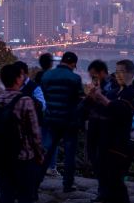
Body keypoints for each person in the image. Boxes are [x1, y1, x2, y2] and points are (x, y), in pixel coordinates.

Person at [0, 64, 44, 203]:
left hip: (2, 154)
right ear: (17, 79)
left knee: (6, 192)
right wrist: (39, 154)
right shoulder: (25, 101)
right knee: (25, 195)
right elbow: (34, 132)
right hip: (24, 155)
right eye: (21, 76)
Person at [40, 51, 85, 192]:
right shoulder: (75, 78)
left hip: (51, 119)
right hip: (69, 122)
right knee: (69, 154)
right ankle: (67, 184)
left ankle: (35, 181)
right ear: (73, 64)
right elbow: (80, 100)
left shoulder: (46, 75)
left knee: (47, 151)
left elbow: (45, 96)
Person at [80, 59, 112, 202]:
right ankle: (102, 190)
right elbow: (85, 107)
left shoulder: (112, 86)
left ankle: (105, 192)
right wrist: (90, 97)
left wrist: (99, 96)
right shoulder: (95, 86)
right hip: (93, 124)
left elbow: (112, 106)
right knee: (94, 159)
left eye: (94, 75)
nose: (92, 79)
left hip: (105, 127)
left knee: (103, 161)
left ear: (102, 73)